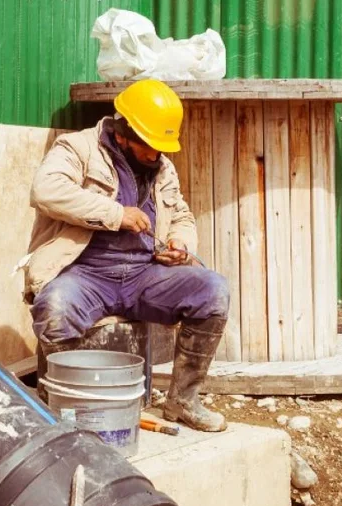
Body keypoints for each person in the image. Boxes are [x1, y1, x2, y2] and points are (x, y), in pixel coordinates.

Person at [23, 79, 229, 432]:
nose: (157, 155)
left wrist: (180, 244)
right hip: (85, 273)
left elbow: (181, 214)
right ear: (122, 133)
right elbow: (46, 190)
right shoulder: (77, 148)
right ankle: (69, 411)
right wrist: (116, 214)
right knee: (55, 308)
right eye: (150, 146)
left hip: (143, 275)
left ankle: (182, 400)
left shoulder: (161, 166)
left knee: (212, 290)